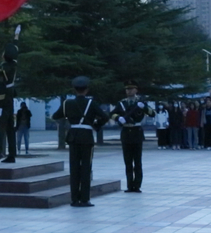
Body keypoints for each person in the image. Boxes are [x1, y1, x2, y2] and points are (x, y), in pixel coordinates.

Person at [52, 76, 109, 207]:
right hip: (87, 136)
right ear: (87, 90)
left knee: (74, 168)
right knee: (85, 168)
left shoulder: (67, 103)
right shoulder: (91, 103)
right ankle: (84, 199)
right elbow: (105, 117)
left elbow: (56, 116)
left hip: (73, 136)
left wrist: (70, 119)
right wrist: (96, 125)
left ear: (74, 89)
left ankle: (74, 199)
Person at [110, 81, 155, 193]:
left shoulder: (140, 102)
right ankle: (130, 185)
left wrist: (144, 107)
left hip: (136, 132)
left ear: (136, 90)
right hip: (126, 132)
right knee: (128, 161)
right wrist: (118, 118)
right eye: (127, 89)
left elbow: (152, 113)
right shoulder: (122, 103)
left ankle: (137, 185)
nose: (129, 91)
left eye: (131, 89)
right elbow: (112, 114)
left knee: (137, 161)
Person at [0, 25, 21, 164]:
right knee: (10, 128)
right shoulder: (13, 64)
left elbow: (1, 86)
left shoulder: (3, 69)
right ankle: (12, 154)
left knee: (0, 127)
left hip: (3, 99)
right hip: (10, 97)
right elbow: (15, 50)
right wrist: (16, 37)